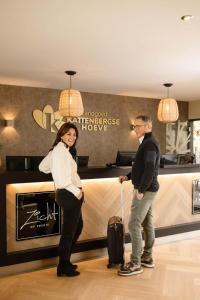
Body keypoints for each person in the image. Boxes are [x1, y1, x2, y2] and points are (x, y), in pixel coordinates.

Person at [39, 122, 83, 277]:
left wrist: (54, 164)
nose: (72, 137)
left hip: (68, 194)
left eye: (74, 135)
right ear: (61, 135)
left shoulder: (59, 150)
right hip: (69, 194)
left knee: (77, 227)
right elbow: (61, 180)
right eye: (68, 134)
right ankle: (63, 265)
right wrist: (76, 191)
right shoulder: (60, 151)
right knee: (69, 232)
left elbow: (42, 167)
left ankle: (65, 261)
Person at [118, 115, 160, 276]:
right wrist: (128, 176)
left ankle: (136, 263)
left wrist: (141, 190)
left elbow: (149, 169)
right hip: (149, 188)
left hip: (146, 190)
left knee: (133, 224)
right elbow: (141, 167)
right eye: (134, 126)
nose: (135, 128)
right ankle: (147, 257)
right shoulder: (147, 143)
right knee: (147, 223)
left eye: (138, 126)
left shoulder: (149, 144)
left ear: (148, 126)